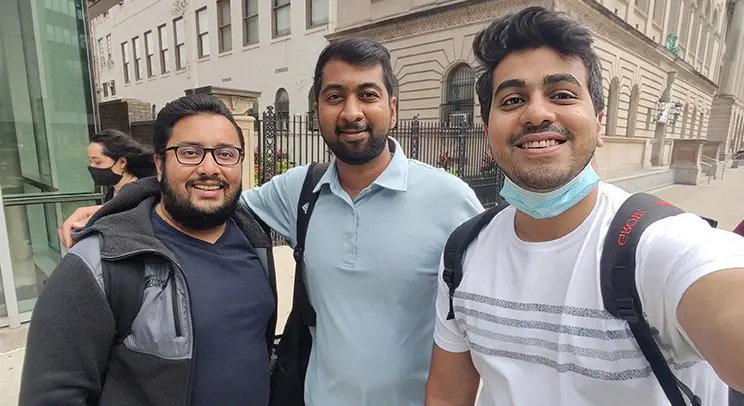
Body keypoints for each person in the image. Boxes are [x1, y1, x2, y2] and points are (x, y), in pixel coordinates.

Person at [58, 38, 483, 406]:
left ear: (392, 105)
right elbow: (208, 190)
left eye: (367, 95)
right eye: (335, 96)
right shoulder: (303, 190)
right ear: (317, 107)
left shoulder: (450, 201)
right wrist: (114, 207)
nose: (351, 111)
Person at [424, 7, 744, 406]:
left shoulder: (659, 245)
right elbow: (447, 394)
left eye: (562, 95)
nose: (538, 113)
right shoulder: (463, 253)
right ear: (488, 130)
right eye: (512, 99)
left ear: (599, 123)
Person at [20, 94, 278, 406]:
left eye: (225, 154)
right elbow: (52, 395)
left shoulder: (254, 239)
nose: (209, 168)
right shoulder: (98, 263)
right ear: (159, 164)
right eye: (190, 153)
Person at [88, 129, 156, 202]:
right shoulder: (111, 193)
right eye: (90, 161)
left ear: (122, 162)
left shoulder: (143, 192)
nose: (92, 166)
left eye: (97, 162)